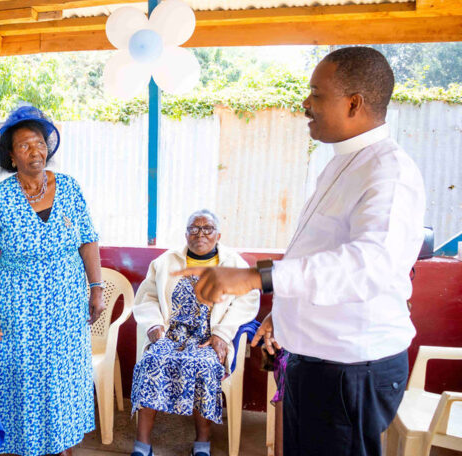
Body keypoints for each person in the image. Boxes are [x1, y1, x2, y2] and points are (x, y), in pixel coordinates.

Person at [179, 47, 426, 456]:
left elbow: (368, 266)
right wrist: (284, 311)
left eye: (316, 94)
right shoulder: (342, 163)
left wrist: (255, 276)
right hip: (316, 361)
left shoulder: (389, 173)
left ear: (354, 103)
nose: (305, 104)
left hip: (350, 369)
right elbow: (320, 253)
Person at [0, 105, 104, 456]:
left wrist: (96, 288)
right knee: (23, 378)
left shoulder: (69, 188)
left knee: (62, 377)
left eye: (40, 143)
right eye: (25, 145)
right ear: (12, 156)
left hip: (66, 304)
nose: (35, 151)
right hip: (19, 307)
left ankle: (63, 446)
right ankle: (27, 447)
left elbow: (88, 240)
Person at [130, 209, 259, 456]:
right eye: (194, 229)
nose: (200, 234)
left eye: (207, 229)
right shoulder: (165, 262)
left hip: (207, 338)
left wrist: (222, 334)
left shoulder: (234, 264)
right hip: (171, 335)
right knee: (150, 361)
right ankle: (142, 445)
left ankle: (202, 445)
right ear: (186, 234)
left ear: (218, 235)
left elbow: (247, 301)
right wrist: (154, 324)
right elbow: (147, 297)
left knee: (206, 366)